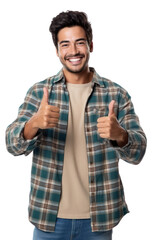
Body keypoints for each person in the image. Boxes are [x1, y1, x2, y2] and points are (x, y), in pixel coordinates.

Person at [5, 10, 147, 240]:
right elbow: (11, 144)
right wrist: (33, 124)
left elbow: (138, 152)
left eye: (80, 43)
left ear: (91, 45)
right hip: (49, 217)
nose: (73, 51)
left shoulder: (116, 94)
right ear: (57, 50)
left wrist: (120, 135)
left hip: (99, 220)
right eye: (65, 44)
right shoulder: (41, 92)